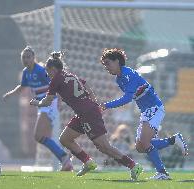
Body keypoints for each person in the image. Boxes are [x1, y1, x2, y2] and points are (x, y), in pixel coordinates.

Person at [30, 51, 143, 180]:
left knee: (104, 147)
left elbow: (48, 100)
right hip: (84, 113)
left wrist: (37, 103)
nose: (47, 74)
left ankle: (133, 165)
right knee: (65, 139)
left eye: (47, 70)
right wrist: (93, 100)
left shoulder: (56, 79)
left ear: (53, 69)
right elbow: (85, 83)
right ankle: (88, 162)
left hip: (87, 114)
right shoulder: (69, 75)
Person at [99, 48, 188, 180]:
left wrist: (106, 105)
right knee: (140, 147)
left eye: (108, 63)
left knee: (145, 142)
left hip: (154, 108)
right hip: (146, 111)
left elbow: (128, 98)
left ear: (117, 61)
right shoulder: (119, 79)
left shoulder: (128, 74)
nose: (106, 67)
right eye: (104, 64)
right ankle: (173, 140)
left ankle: (162, 172)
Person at [2, 46, 72, 171]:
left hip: (50, 103)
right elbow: (22, 87)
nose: (25, 59)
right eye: (23, 57)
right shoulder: (26, 72)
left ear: (34, 58)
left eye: (28, 57)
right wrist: (10, 94)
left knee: (38, 135)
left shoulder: (40, 70)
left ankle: (65, 157)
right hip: (43, 105)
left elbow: (55, 82)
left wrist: (59, 100)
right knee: (40, 137)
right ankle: (64, 159)